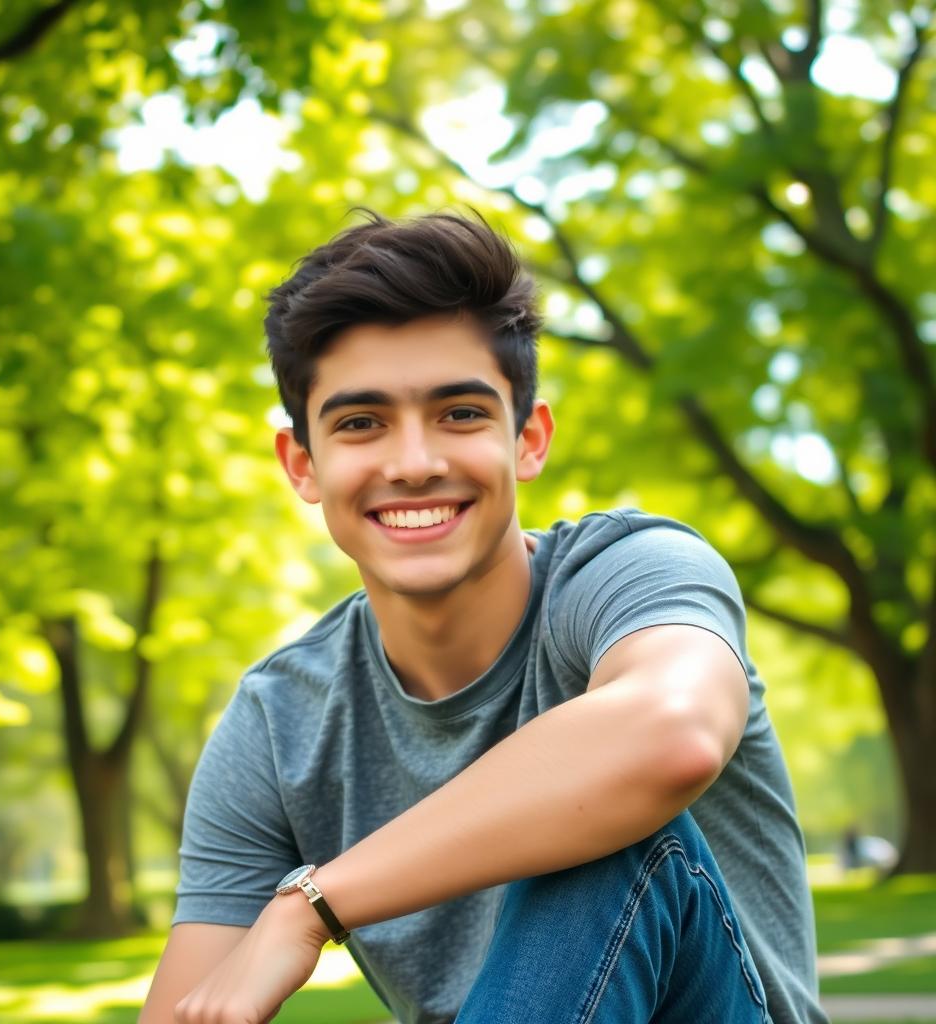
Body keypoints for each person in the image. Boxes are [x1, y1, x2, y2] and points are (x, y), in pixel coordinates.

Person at [140, 211, 827, 1023]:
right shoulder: (279, 722)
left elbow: (669, 735)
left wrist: (311, 904)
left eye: (459, 413)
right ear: (303, 464)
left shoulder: (632, 575)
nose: (415, 463)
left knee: (611, 822)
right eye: (361, 423)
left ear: (528, 440)